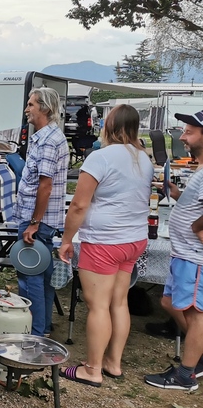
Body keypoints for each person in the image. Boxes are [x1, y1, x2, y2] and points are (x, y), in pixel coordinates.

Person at [57, 105, 153, 386]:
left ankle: (92, 369)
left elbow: (79, 204)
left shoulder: (100, 157)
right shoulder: (143, 158)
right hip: (134, 238)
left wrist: (66, 240)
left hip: (104, 241)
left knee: (97, 305)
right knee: (119, 302)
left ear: (109, 125)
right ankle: (113, 362)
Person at [143, 110, 203, 392]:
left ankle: (185, 376)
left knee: (195, 314)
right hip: (183, 253)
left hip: (195, 257)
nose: (182, 137)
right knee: (168, 303)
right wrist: (176, 194)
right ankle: (197, 351)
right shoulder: (200, 169)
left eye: (189, 132)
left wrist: (197, 227)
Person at [12, 87, 69, 336]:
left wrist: (34, 223)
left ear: (44, 108)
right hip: (38, 220)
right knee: (42, 275)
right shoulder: (47, 137)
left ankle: (32, 333)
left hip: (36, 222)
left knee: (30, 276)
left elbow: (45, 185)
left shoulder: (48, 141)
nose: (27, 109)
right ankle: (42, 328)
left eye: (31, 104)